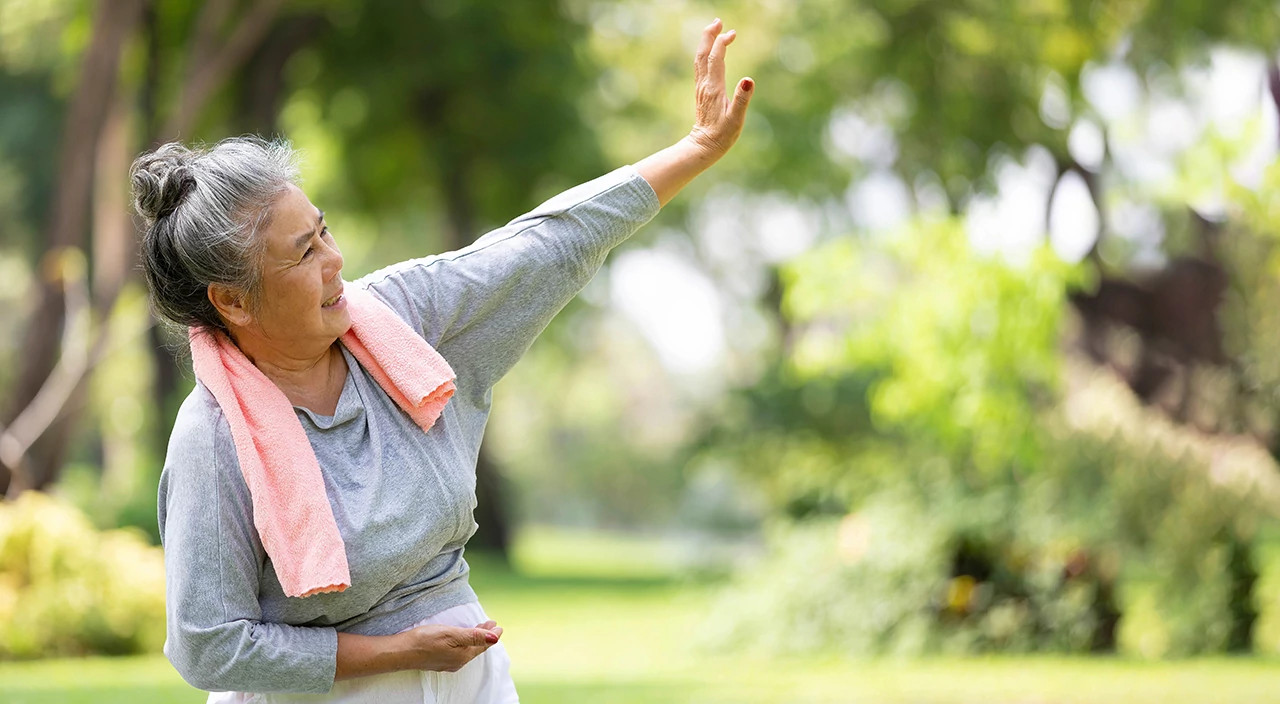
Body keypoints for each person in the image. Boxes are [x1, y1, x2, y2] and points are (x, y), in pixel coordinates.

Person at [146, 18, 753, 704]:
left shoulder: (397, 318)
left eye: (324, 232)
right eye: (304, 253)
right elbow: (207, 644)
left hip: (469, 681)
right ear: (234, 301)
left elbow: (541, 247)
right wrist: (390, 654)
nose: (335, 261)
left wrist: (696, 149)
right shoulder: (213, 437)